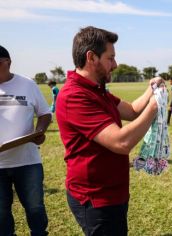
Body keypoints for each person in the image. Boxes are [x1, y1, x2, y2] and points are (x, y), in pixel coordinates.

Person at [56, 26, 162, 236]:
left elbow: (131, 111)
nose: (115, 64)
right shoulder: (74, 96)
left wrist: (151, 89)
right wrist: (155, 106)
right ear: (91, 57)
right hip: (95, 199)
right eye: (110, 58)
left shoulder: (97, 90)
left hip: (112, 193)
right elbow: (121, 143)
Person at [0, 45, 52, 236]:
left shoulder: (27, 84)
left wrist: (39, 131)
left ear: (8, 63)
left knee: (35, 208)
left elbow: (45, 113)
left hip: (27, 162)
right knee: (1, 213)